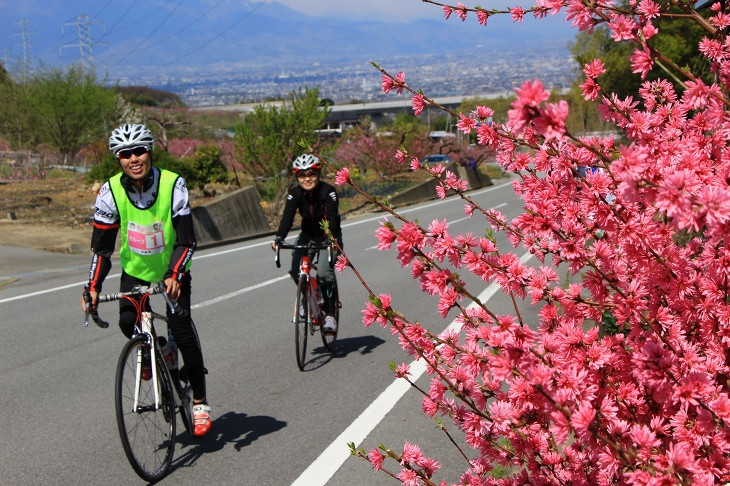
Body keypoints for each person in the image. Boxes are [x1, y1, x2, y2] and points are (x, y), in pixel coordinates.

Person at [81, 123, 211, 437]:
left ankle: (200, 401)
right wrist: (93, 287)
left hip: (172, 269)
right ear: (118, 159)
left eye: (139, 151)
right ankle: (157, 350)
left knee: (183, 332)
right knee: (129, 323)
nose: (133, 159)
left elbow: (187, 239)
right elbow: (101, 247)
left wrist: (175, 273)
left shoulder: (173, 184)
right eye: (125, 154)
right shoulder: (109, 191)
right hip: (136, 270)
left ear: (150, 151)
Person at [272, 154, 343, 333]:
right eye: (302, 175)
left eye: (311, 174)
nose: (307, 179)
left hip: (329, 236)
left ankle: (329, 314)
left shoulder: (328, 192)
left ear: (318, 174)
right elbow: (288, 217)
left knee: (324, 273)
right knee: (295, 269)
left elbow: (332, 218)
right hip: (308, 235)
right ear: (297, 177)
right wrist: (279, 237)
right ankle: (307, 296)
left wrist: (331, 238)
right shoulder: (295, 194)